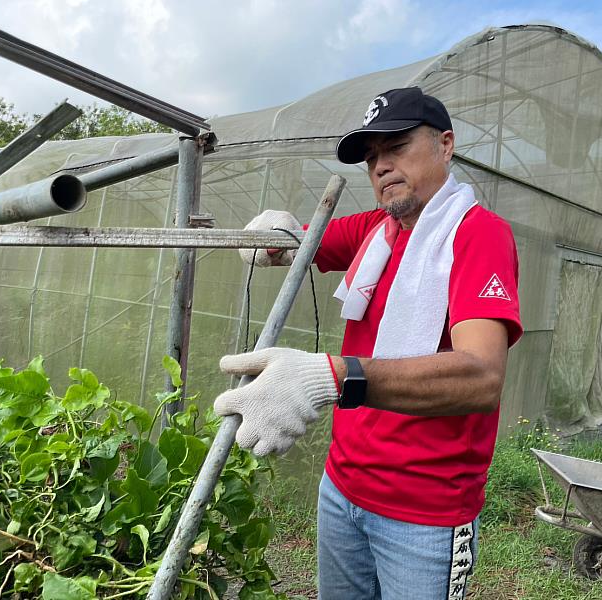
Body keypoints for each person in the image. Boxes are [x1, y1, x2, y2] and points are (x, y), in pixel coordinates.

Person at [214, 87, 522, 599]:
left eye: (396, 146)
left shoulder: (478, 235)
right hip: (342, 489)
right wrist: (278, 234)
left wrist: (333, 375)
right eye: (372, 157)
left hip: (423, 512)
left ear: (445, 145)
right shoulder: (375, 231)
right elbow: (300, 243)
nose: (381, 166)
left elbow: (481, 377)